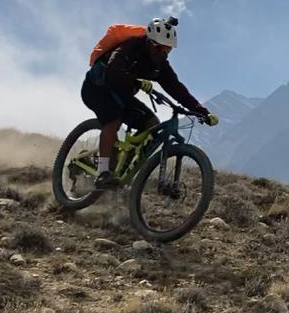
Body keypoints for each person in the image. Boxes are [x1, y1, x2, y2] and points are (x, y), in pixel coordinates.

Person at [81, 16, 217, 190]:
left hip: (122, 92)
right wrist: (136, 82)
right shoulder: (129, 48)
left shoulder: (160, 65)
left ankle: (121, 168)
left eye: (168, 49)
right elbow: (113, 72)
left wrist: (202, 111)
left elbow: (176, 88)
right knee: (113, 120)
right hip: (97, 88)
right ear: (150, 42)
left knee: (151, 124)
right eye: (160, 48)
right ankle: (102, 172)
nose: (164, 53)